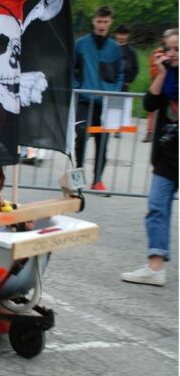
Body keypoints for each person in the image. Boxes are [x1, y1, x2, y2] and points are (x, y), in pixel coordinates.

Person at [121, 29, 178, 287]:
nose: (171, 54)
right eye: (169, 49)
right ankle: (155, 267)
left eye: (177, 49)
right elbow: (149, 105)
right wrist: (162, 74)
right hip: (167, 156)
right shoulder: (168, 77)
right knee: (156, 207)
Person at [73, 6, 123, 191]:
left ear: (110, 22)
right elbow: (71, 70)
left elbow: (120, 74)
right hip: (85, 100)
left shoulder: (115, 48)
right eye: (99, 21)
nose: (102, 25)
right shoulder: (81, 44)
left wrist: (114, 92)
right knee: (81, 137)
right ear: (93, 21)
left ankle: (98, 180)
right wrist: (78, 88)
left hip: (106, 102)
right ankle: (78, 177)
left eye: (106, 22)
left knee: (103, 142)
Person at [143, 42, 167, 143]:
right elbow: (153, 70)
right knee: (152, 111)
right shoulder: (157, 53)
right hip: (157, 84)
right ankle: (150, 131)